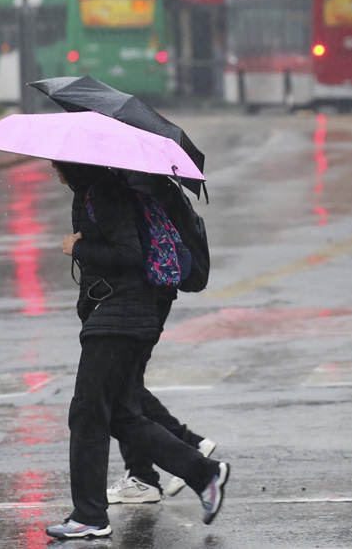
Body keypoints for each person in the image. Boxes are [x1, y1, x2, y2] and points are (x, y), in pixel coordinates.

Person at [46, 161, 229, 540]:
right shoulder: (98, 189)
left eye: (56, 163)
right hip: (127, 314)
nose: (53, 169)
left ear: (72, 164)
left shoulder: (103, 192)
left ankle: (90, 516)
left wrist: (78, 246)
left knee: (86, 413)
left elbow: (128, 253)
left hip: (120, 317)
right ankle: (203, 472)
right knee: (119, 416)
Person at [106, 173, 217, 505]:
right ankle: (142, 475)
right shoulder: (148, 177)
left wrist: (82, 244)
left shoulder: (127, 182)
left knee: (122, 386)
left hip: (144, 295)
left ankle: (184, 447)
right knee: (125, 385)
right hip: (155, 293)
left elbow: (127, 249)